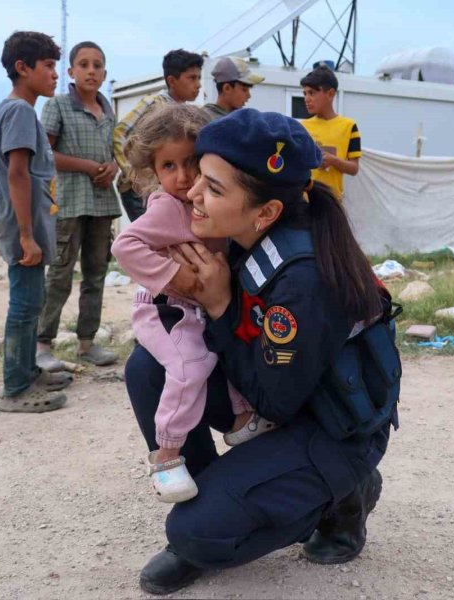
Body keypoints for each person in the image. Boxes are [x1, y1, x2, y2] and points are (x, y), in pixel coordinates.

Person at [124, 108, 400, 594]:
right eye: (194, 177)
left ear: (266, 211)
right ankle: (217, 499)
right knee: (148, 366)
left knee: (193, 534)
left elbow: (275, 401)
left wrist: (219, 303)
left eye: (211, 187)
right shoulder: (239, 235)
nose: (190, 193)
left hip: (328, 425)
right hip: (281, 391)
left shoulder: (302, 277)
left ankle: (343, 499)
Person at [111, 104, 275, 503]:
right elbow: (125, 245)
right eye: (169, 167)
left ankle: (241, 418)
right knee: (190, 365)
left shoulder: (212, 201)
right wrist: (177, 276)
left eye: (192, 164)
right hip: (167, 307)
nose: (183, 177)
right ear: (153, 170)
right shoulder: (168, 207)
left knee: (220, 350)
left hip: (199, 307)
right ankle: (167, 455)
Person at [0, 31, 73, 413]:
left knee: (32, 299)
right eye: (49, 66)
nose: (55, 74)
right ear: (23, 68)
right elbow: (18, 174)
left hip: (31, 221)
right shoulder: (20, 111)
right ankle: (16, 388)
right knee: (24, 305)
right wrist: (26, 235)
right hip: (23, 224)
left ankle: (27, 370)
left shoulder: (21, 111)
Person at [35, 41, 120, 370]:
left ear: (104, 73)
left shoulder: (107, 109)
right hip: (69, 202)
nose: (91, 70)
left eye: (97, 65)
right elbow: (46, 154)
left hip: (101, 203)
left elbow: (114, 152)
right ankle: (43, 343)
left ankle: (87, 342)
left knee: (96, 274)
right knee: (59, 274)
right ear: (71, 72)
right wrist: (87, 166)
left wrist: (112, 166)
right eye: (83, 64)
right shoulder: (57, 106)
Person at [113, 49, 204, 222]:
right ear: (172, 80)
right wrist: (132, 174)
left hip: (167, 184)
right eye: (192, 78)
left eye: (199, 77)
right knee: (153, 235)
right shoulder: (153, 103)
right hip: (139, 190)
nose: (198, 84)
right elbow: (119, 132)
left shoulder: (187, 113)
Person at [299, 66, 362, 201]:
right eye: (305, 94)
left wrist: (333, 160)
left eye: (312, 93)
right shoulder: (302, 126)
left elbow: (354, 168)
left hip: (332, 201)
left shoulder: (349, 126)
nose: (306, 98)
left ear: (330, 94)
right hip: (304, 201)